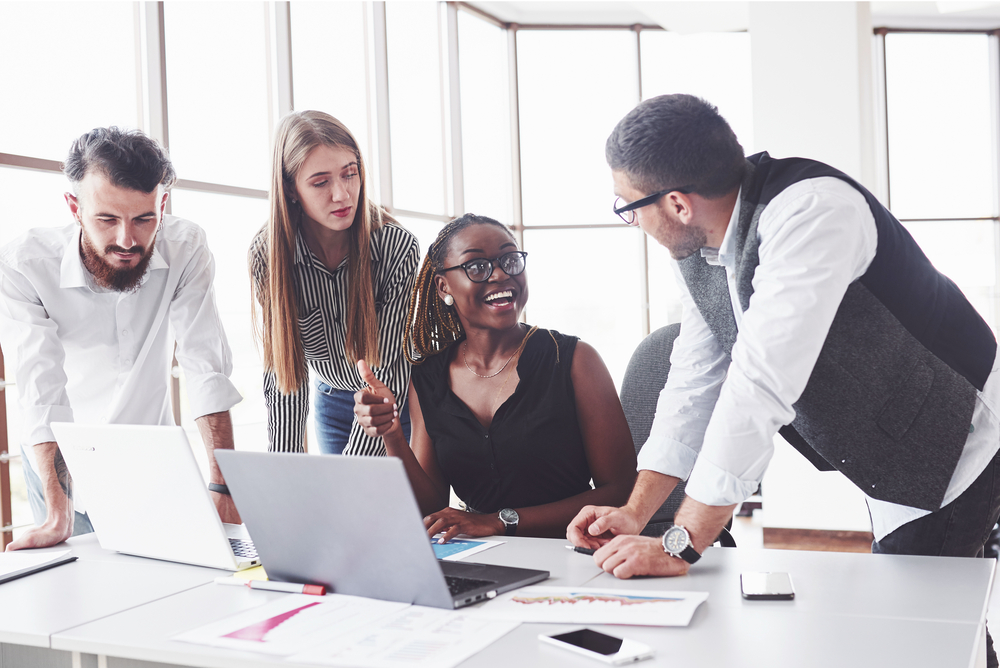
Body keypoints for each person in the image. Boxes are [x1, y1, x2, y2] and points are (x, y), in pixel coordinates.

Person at [567, 93, 1000, 665]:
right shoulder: (704, 250)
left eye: (628, 208)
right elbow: (695, 381)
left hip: (958, 436)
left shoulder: (814, 213)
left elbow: (759, 384)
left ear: (676, 203)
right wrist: (636, 512)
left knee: (921, 634)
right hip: (893, 445)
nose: (633, 222)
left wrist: (683, 541)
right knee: (935, 623)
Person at [0, 127, 243, 551]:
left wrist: (224, 490)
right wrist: (58, 513)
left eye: (144, 219)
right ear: (74, 207)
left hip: (150, 458)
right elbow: (42, 392)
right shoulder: (24, 267)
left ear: (162, 205)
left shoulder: (186, 247)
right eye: (107, 219)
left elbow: (206, 368)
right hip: (60, 461)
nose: (127, 240)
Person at [354, 214, 637, 540]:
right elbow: (431, 508)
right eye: (476, 266)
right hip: (482, 556)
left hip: (572, 550)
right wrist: (391, 434)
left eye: (510, 259)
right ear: (443, 286)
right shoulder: (429, 378)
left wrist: (501, 522)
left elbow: (621, 490)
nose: (501, 274)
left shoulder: (574, 360)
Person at [249, 111, 419, 456]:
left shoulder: (395, 247)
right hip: (332, 403)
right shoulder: (268, 255)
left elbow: (387, 374)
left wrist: (348, 477)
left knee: (376, 506)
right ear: (290, 190)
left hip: (399, 405)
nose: (342, 195)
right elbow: (285, 377)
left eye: (349, 174)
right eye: (320, 182)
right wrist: (287, 469)